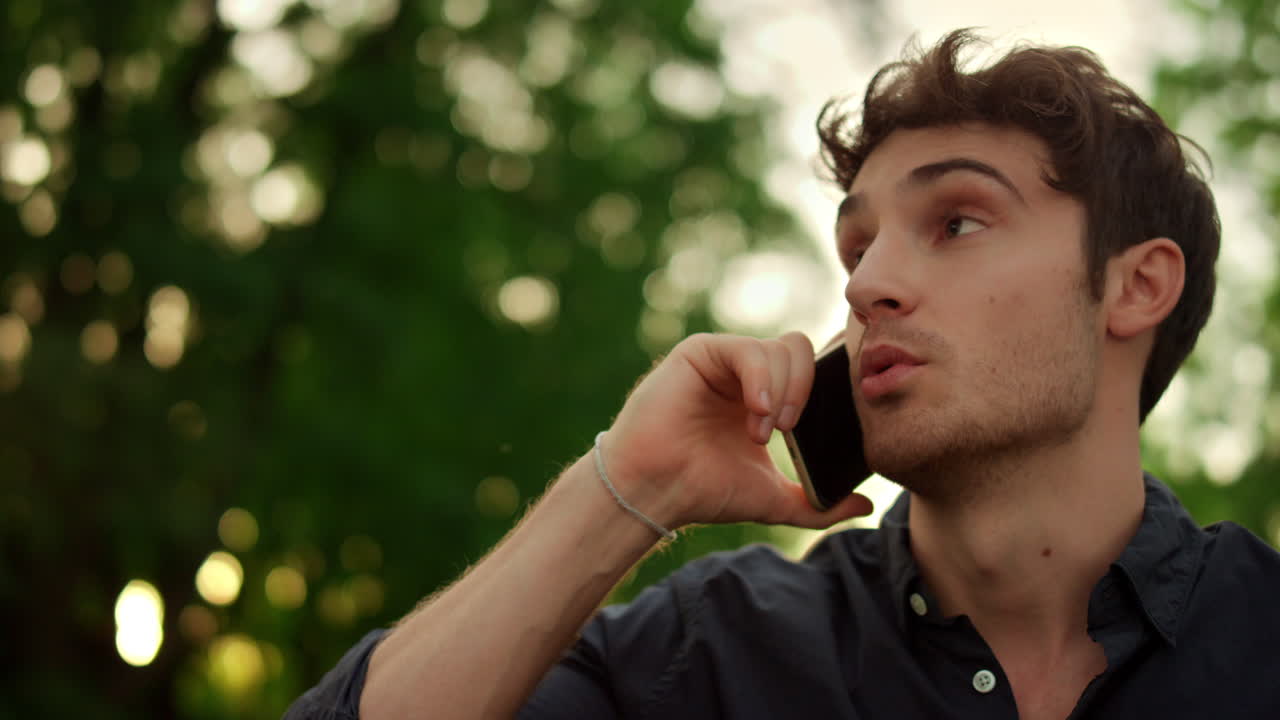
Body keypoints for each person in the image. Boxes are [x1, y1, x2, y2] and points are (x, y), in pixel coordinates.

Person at [285, 30, 1280, 719]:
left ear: (1133, 286)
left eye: (956, 222)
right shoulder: (706, 656)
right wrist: (625, 490)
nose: (869, 285)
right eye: (856, 249)